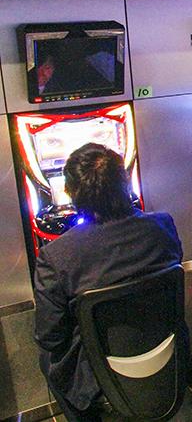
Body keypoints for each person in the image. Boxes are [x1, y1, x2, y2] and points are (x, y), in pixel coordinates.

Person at [34, 143, 183, 422]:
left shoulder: (56, 255)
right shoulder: (162, 225)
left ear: (70, 193)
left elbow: (50, 336)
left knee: (48, 357)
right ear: (125, 183)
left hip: (97, 374)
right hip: (166, 353)